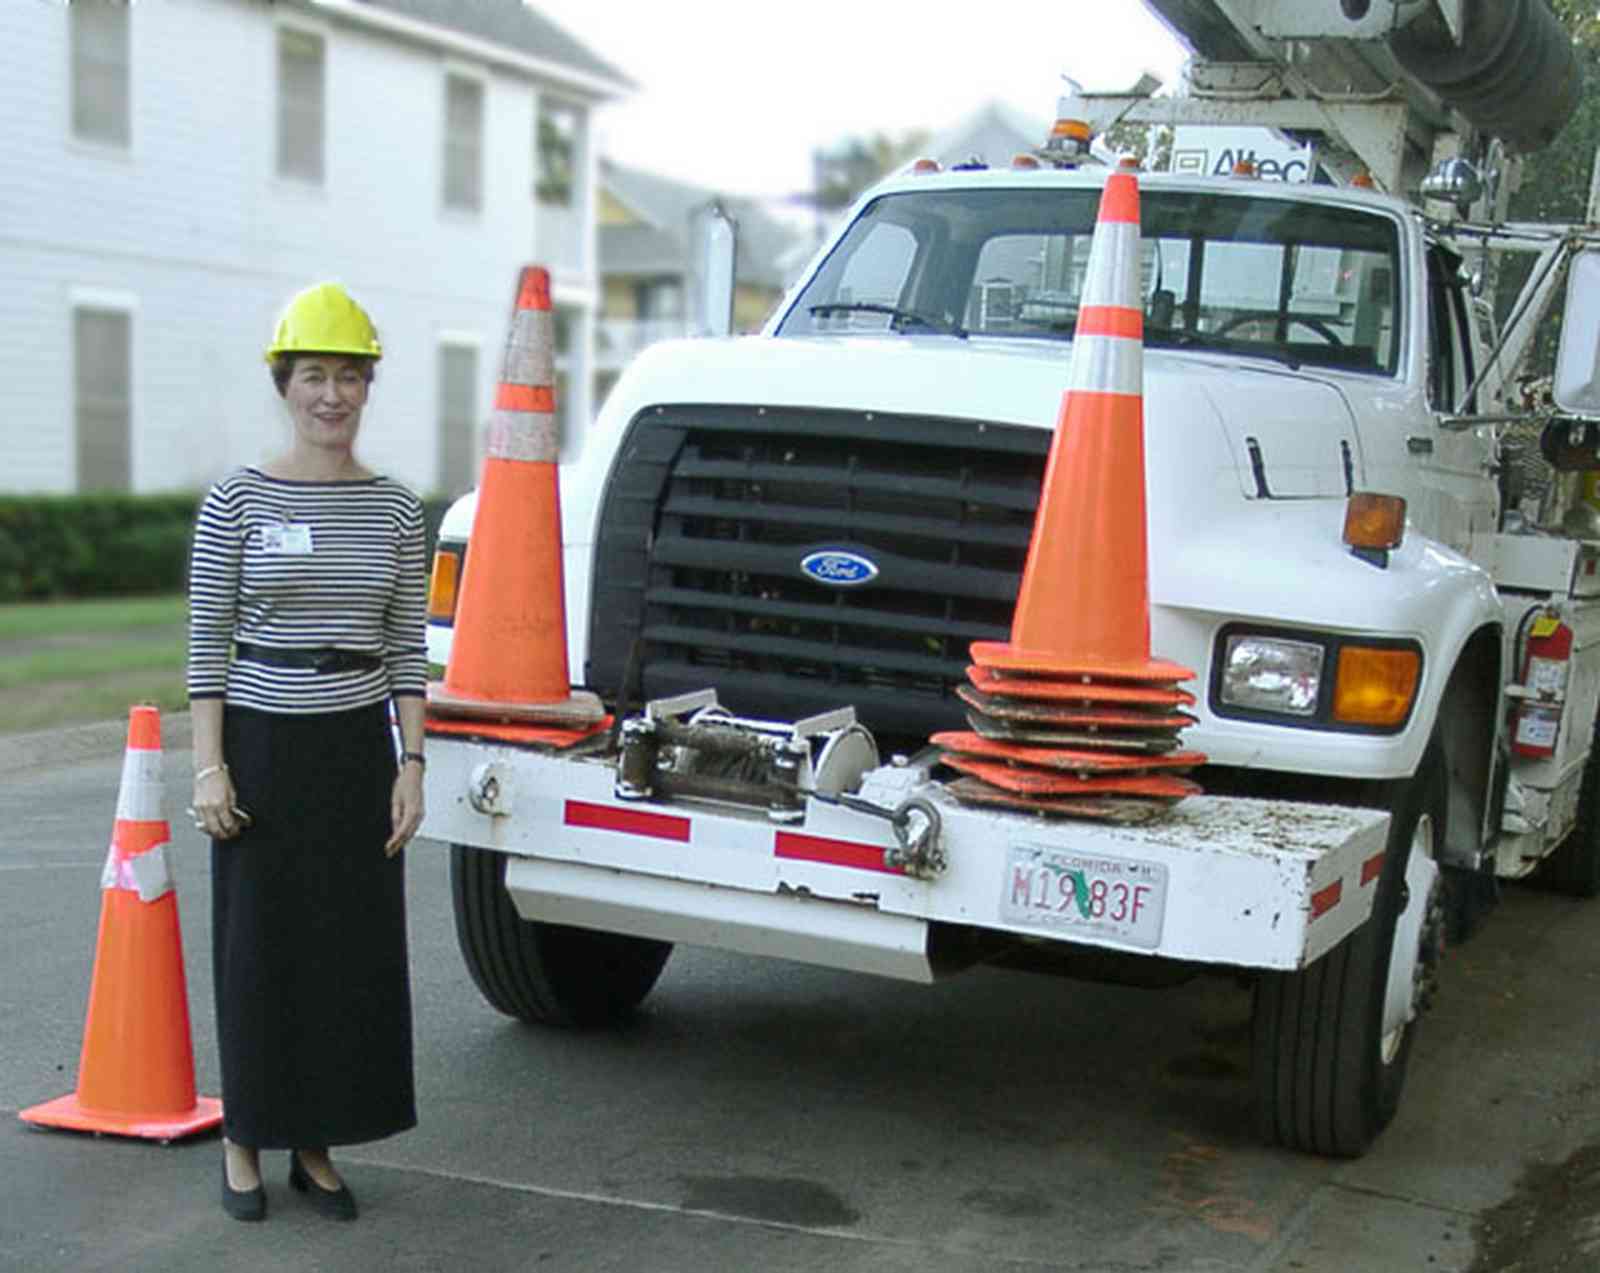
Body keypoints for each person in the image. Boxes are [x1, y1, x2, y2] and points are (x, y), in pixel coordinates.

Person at [186, 281, 428, 1222]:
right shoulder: (236, 500)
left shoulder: (398, 510)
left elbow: (408, 646)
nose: (333, 395)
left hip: (351, 753)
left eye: (350, 377)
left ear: (369, 387)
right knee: (260, 951)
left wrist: (412, 762)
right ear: (285, 384)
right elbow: (208, 641)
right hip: (261, 744)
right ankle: (245, 1135)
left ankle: (316, 1144)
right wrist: (210, 766)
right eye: (315, 376)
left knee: (343, 952)